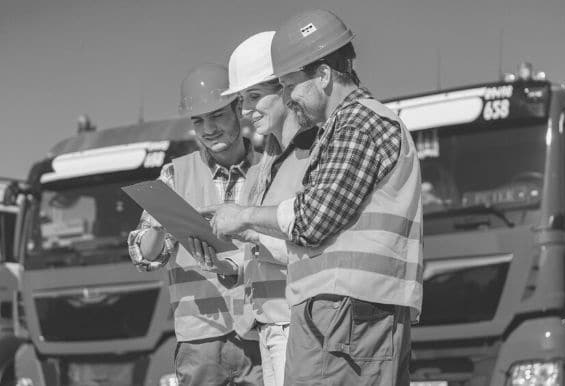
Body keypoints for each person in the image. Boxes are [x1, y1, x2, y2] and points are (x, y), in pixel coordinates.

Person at [207, 9, 423, 385]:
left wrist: (244, 217)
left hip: (349, 314)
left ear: (322, 75)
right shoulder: (340, 128)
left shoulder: (360, 123)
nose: (288, 98)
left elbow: (312, 219)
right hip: (342, 314)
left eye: (290, 85)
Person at [192, 31, 317, 386]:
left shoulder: (309, 155)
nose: (245, 111)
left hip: (301, 325)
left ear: (287, 88)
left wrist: (245, 226)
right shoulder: (271, 161)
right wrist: (233, 259)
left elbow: (312, 246)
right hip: (272, 324)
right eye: (242, 99)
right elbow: (273, 243)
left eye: (254, 96)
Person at [127, 63, 262, 385]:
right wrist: (160, 226)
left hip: (262, 328)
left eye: (217, 116)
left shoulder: (270, 167)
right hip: (201, 339)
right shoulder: (175, 176)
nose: (208, 128)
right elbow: (145, 259)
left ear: (238, 108)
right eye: (198, 120)